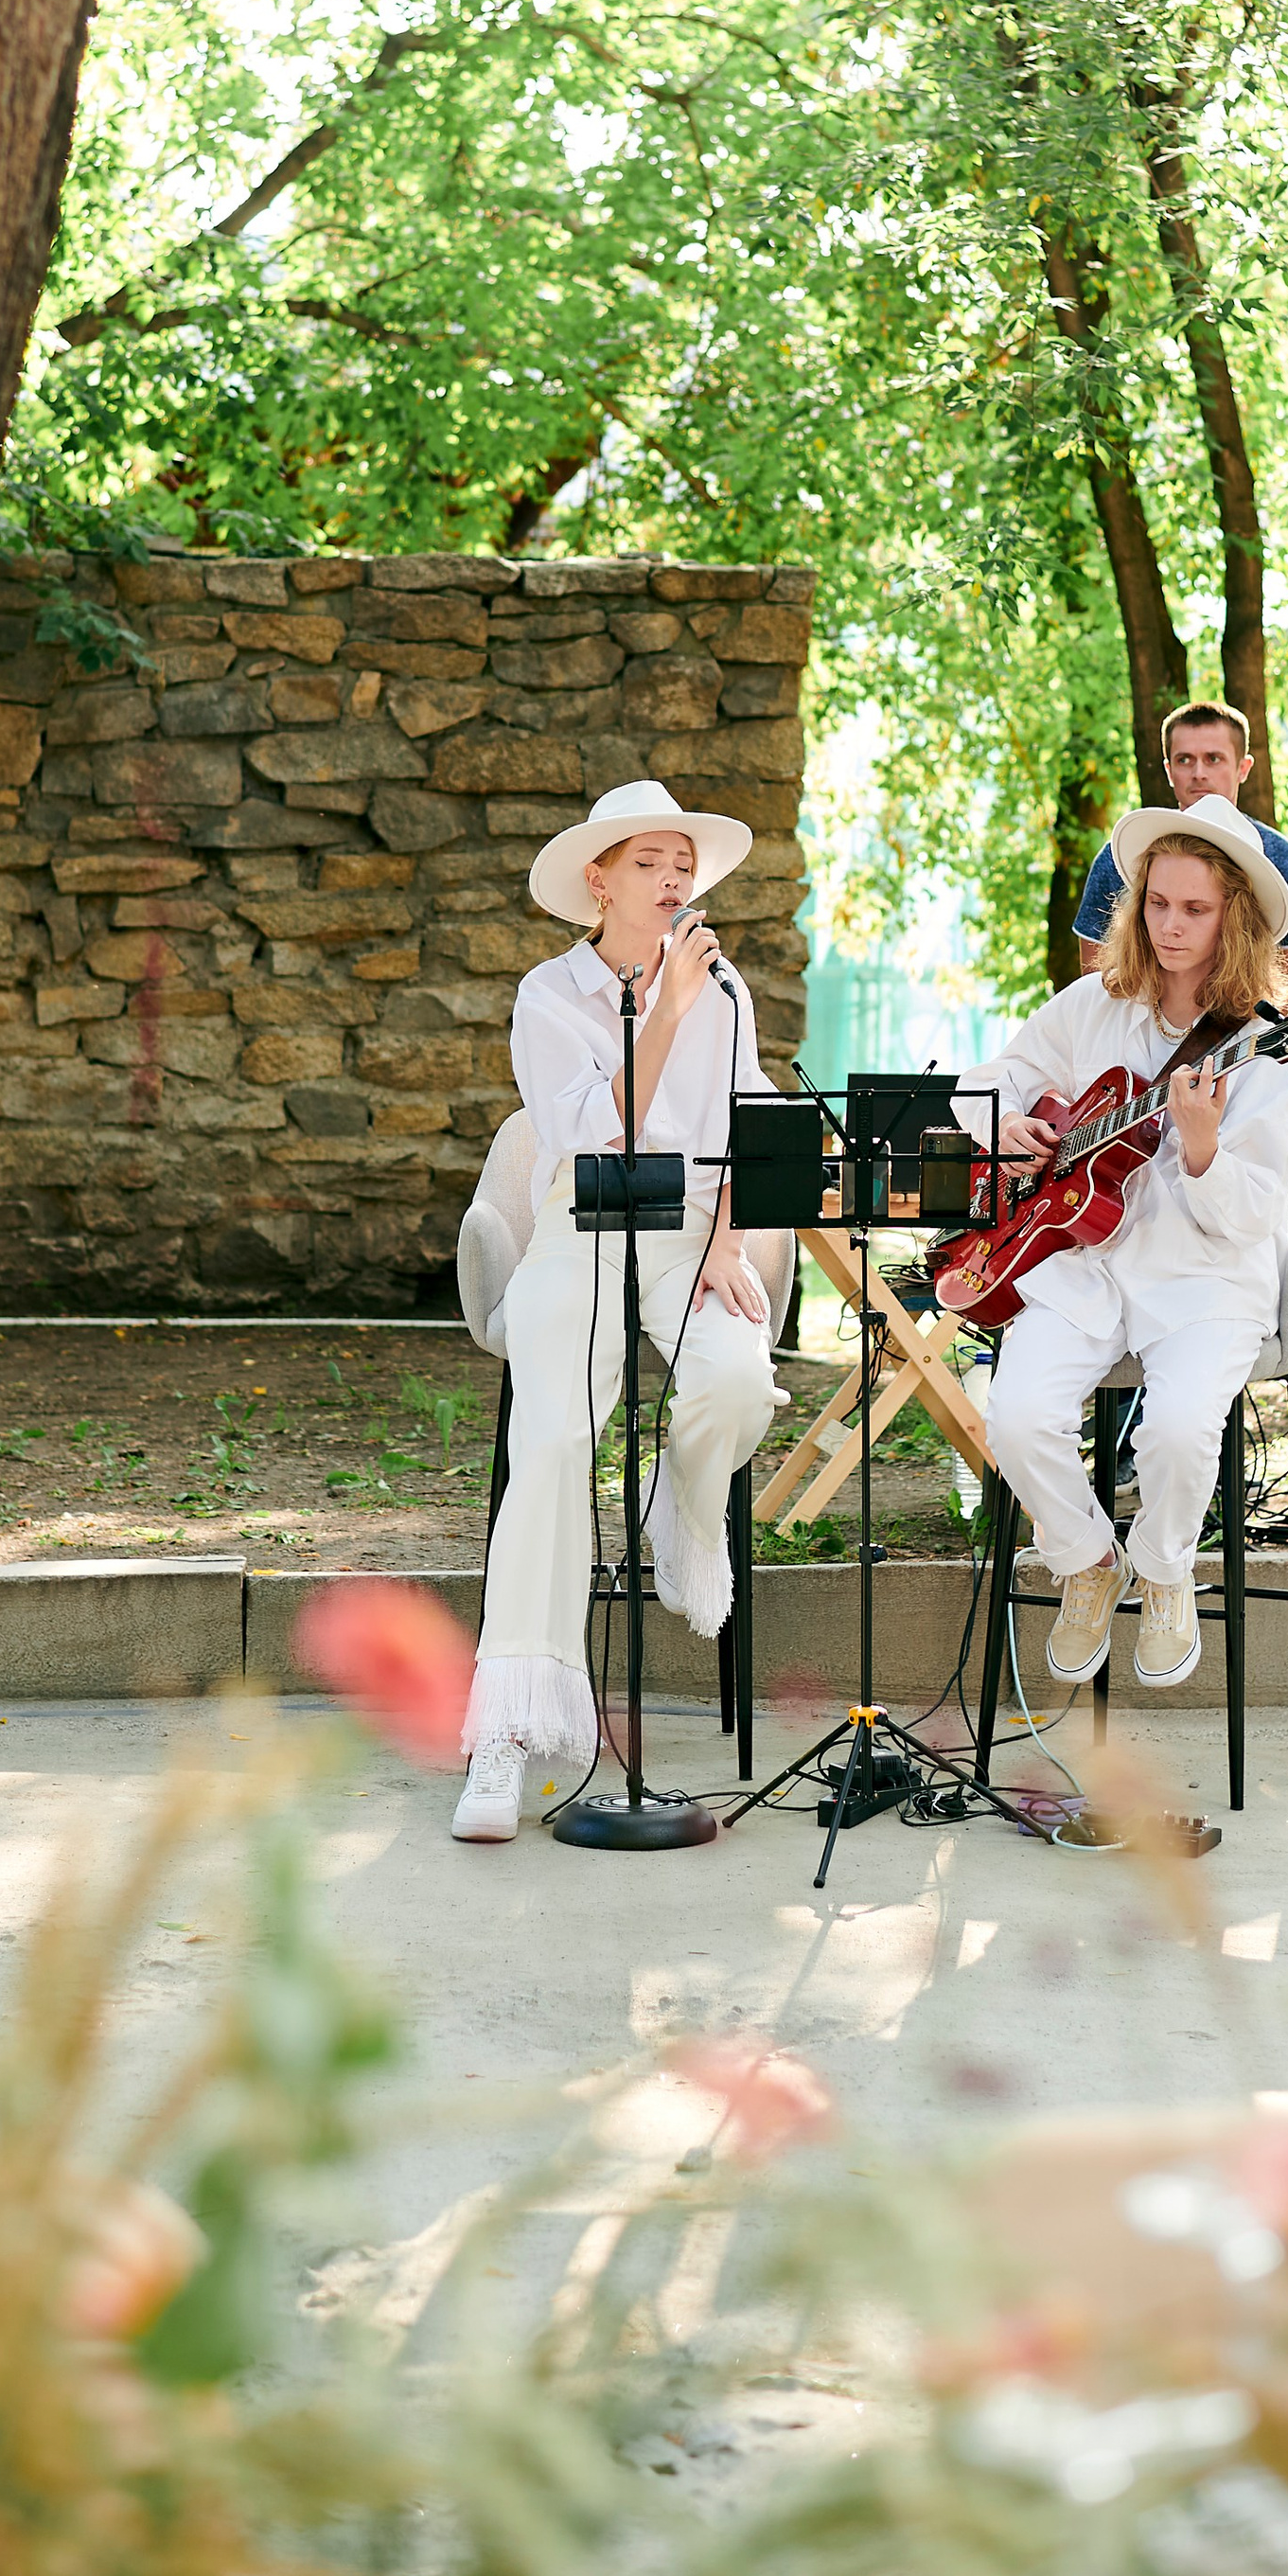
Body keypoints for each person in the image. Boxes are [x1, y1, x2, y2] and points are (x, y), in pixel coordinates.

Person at [451, 778, 786, 1845]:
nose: (673, 878)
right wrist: (667, 1009)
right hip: (582, 1222)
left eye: (683, 862)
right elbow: (590, 1135)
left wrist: (727, 1238)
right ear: (599, 882)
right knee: (551, 1441)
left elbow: (750, 1126)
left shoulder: (724, 987)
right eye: (649, 862)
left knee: (739, 1384)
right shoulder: (547, 995)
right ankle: (507, 1732)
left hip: (692, 1229)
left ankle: (675, 1499)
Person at [953, 791, 1288, 1694]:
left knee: (1180, 1431)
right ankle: (1087, 1561)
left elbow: (1249, 1214)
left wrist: (1201, 1148)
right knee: (1015, 1414)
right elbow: (982, 1080)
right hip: (1086, 1263)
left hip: (1206, 1275)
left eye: (1195, 909)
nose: (1171, 925)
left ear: (1234, 920)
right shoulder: (1092, 1006)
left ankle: (1165, 1568)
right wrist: (1004, 1123)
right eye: (1158, 903)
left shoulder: (1269, 1046)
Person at [1071, 703, 1288, 1003]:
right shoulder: (1119, 858)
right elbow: (1096, 988)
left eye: (1214, 759)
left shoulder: (1287, 864)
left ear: (1243, 768)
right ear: (1168, 770)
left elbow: (1286, 1000)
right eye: (1184, 760)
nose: (1199, 773)